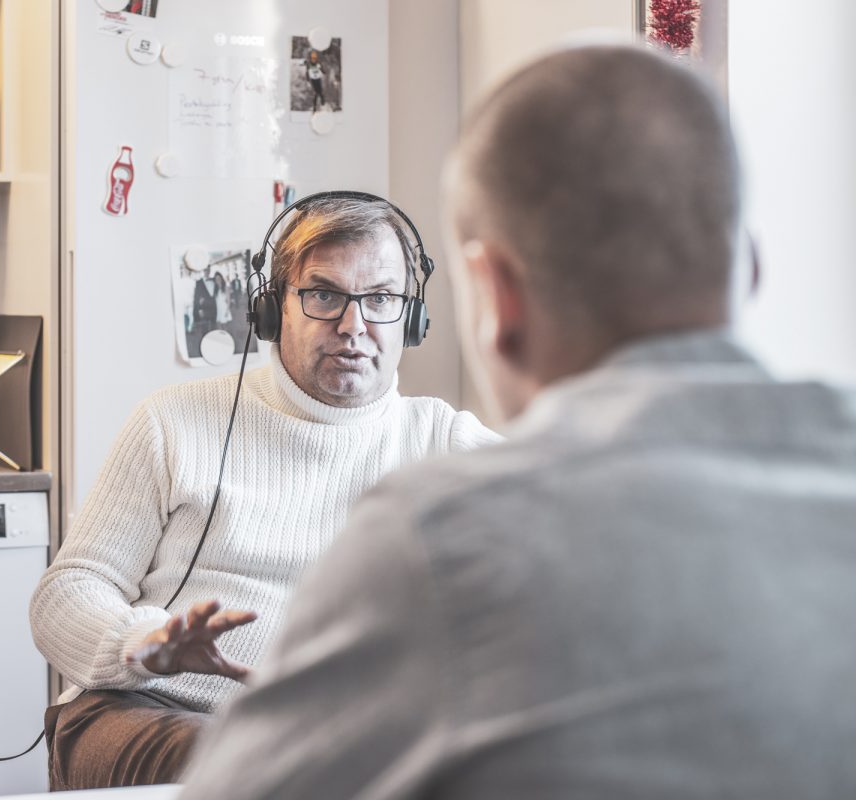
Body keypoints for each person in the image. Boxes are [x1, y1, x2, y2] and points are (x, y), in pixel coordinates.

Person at [181, 44, 856, 799]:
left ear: (495, 297)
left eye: (379, 301)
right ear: (750, 269)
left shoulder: (436, 539)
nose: (354, 325)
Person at [29, 194, 499, 790]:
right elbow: (65, 593)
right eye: (324, 294)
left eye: (381, 299)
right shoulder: (173, 422)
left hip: (341, 738)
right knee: (266, 765)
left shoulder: (447, 442)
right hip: (146, 711)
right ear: (274, 309)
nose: (354, 326)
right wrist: (144, 645)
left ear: (411, 316)